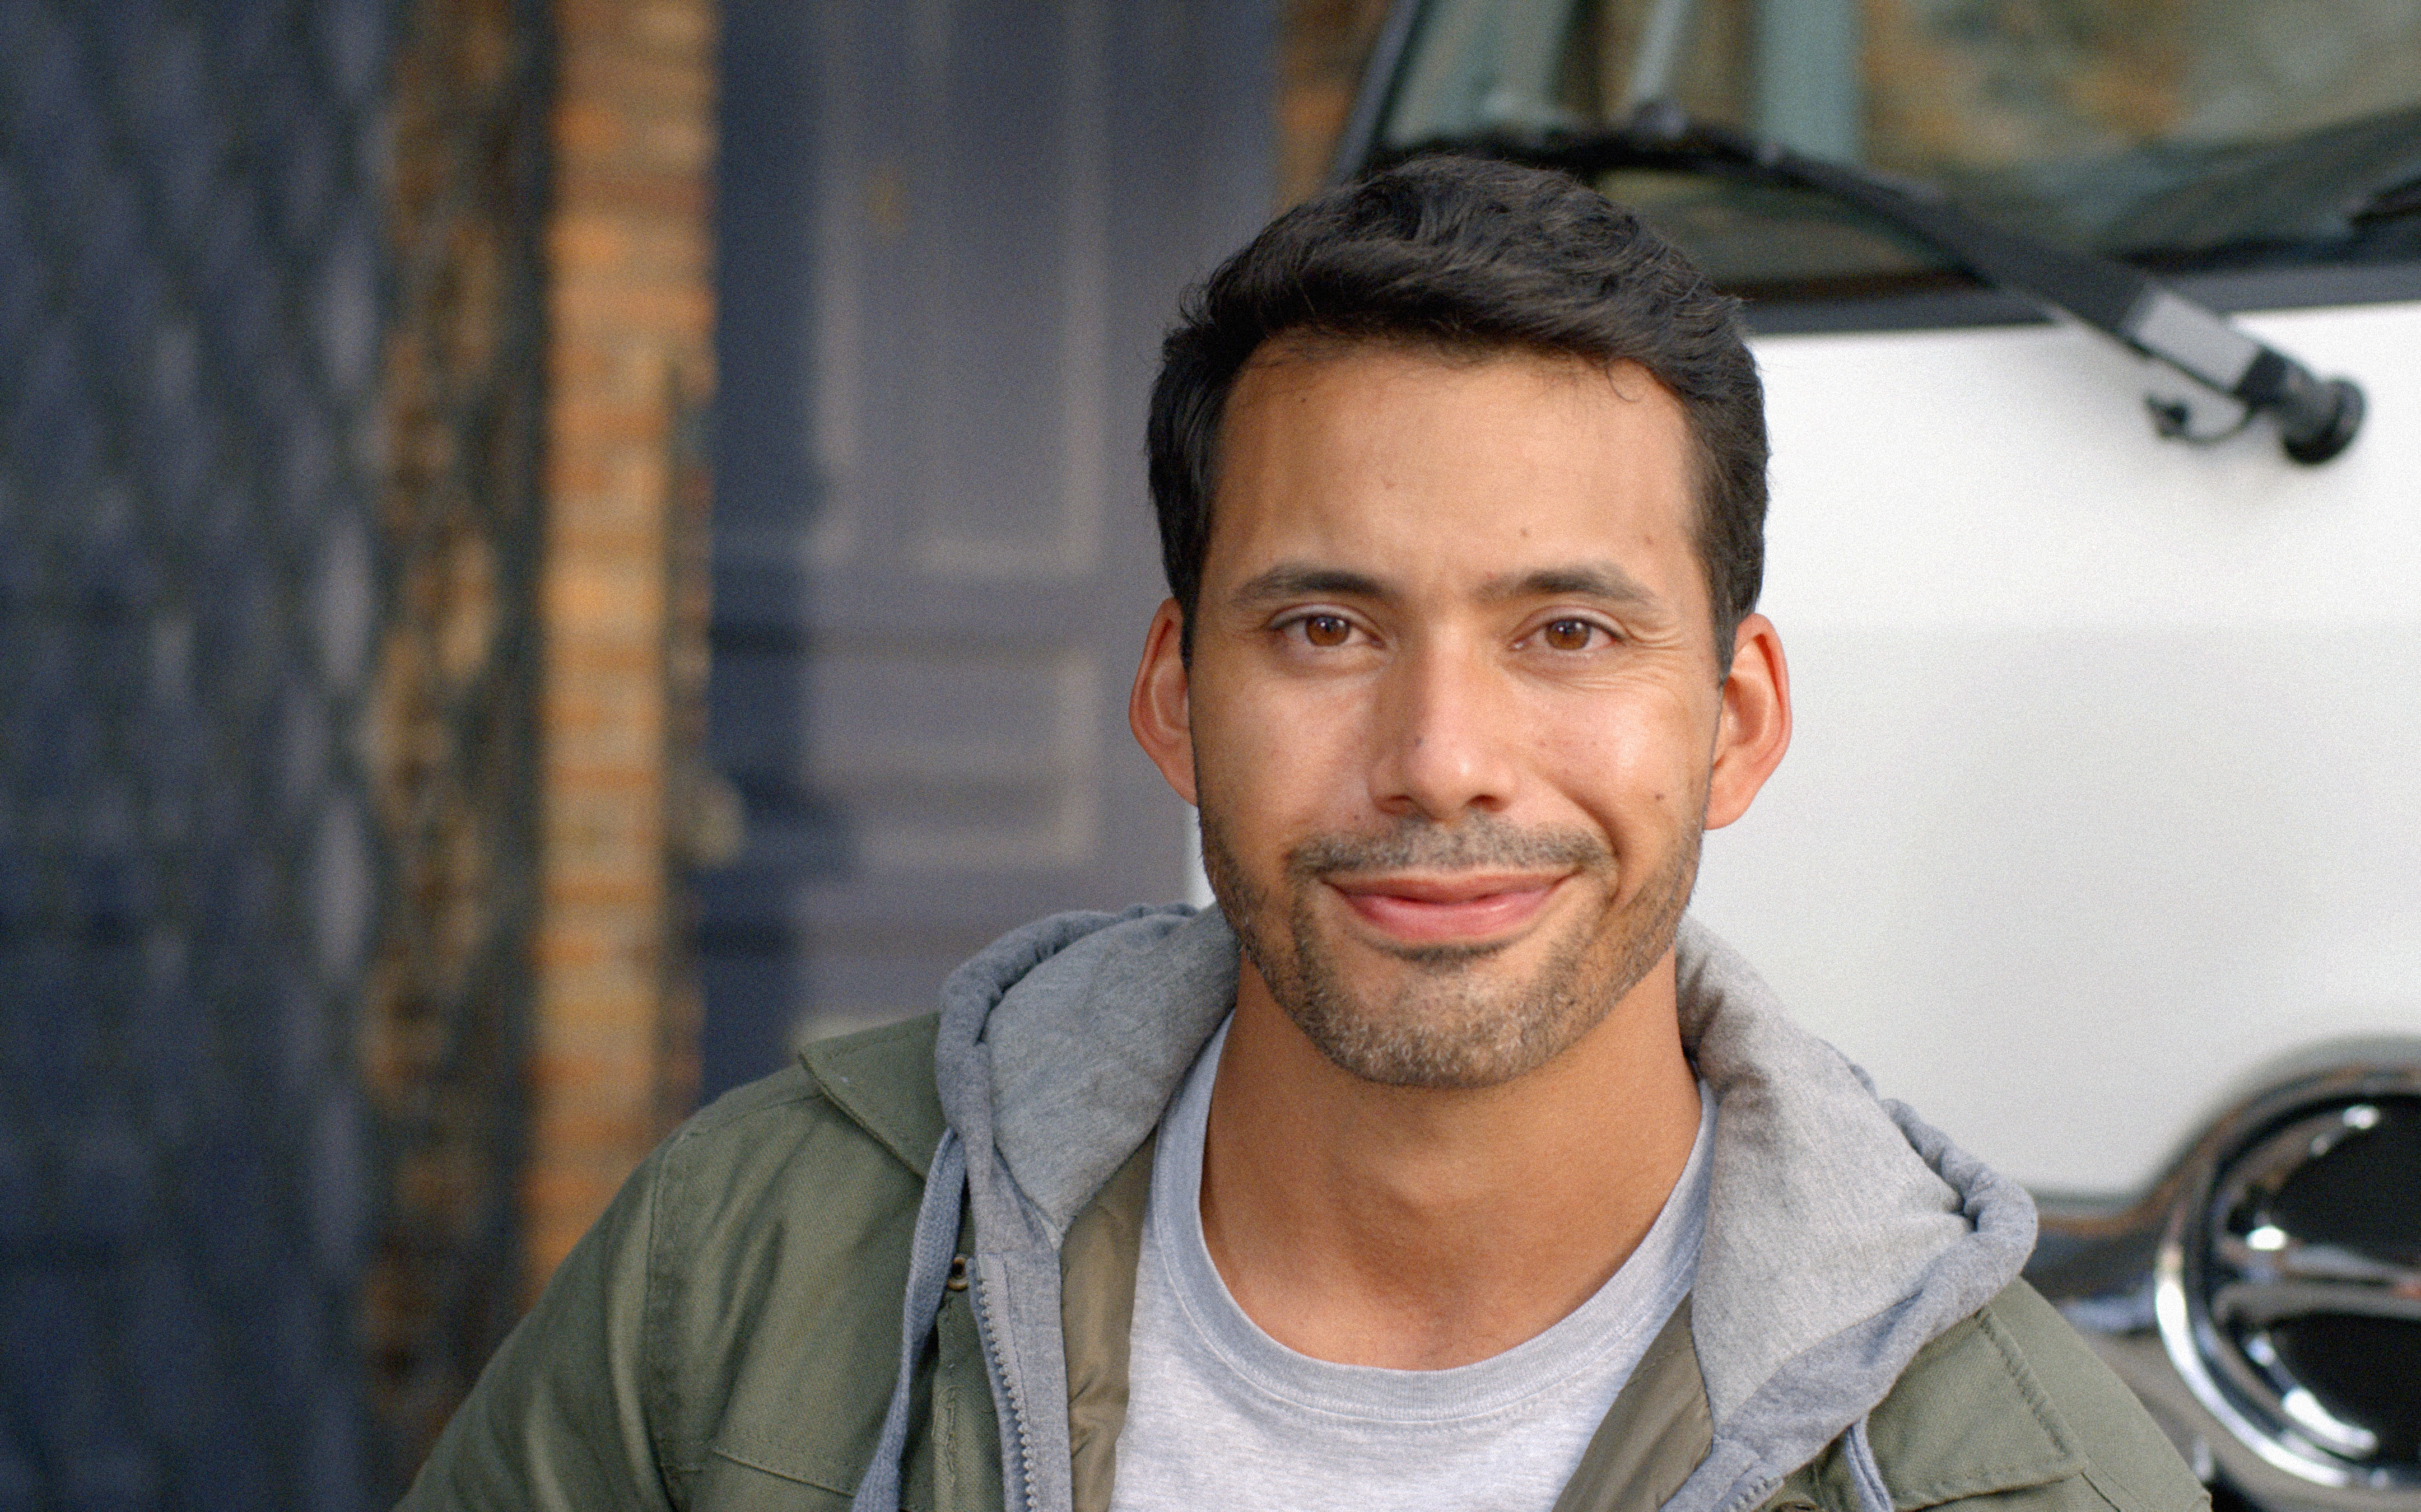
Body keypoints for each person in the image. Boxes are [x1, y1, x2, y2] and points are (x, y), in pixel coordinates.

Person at [401, 157, 2207, 1512]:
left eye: (1565, 632)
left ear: (1734, 724)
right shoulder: (747, 1261)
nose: (1439, 760)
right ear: (1177, 694)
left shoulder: (2016, 1474)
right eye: (1326, 628)